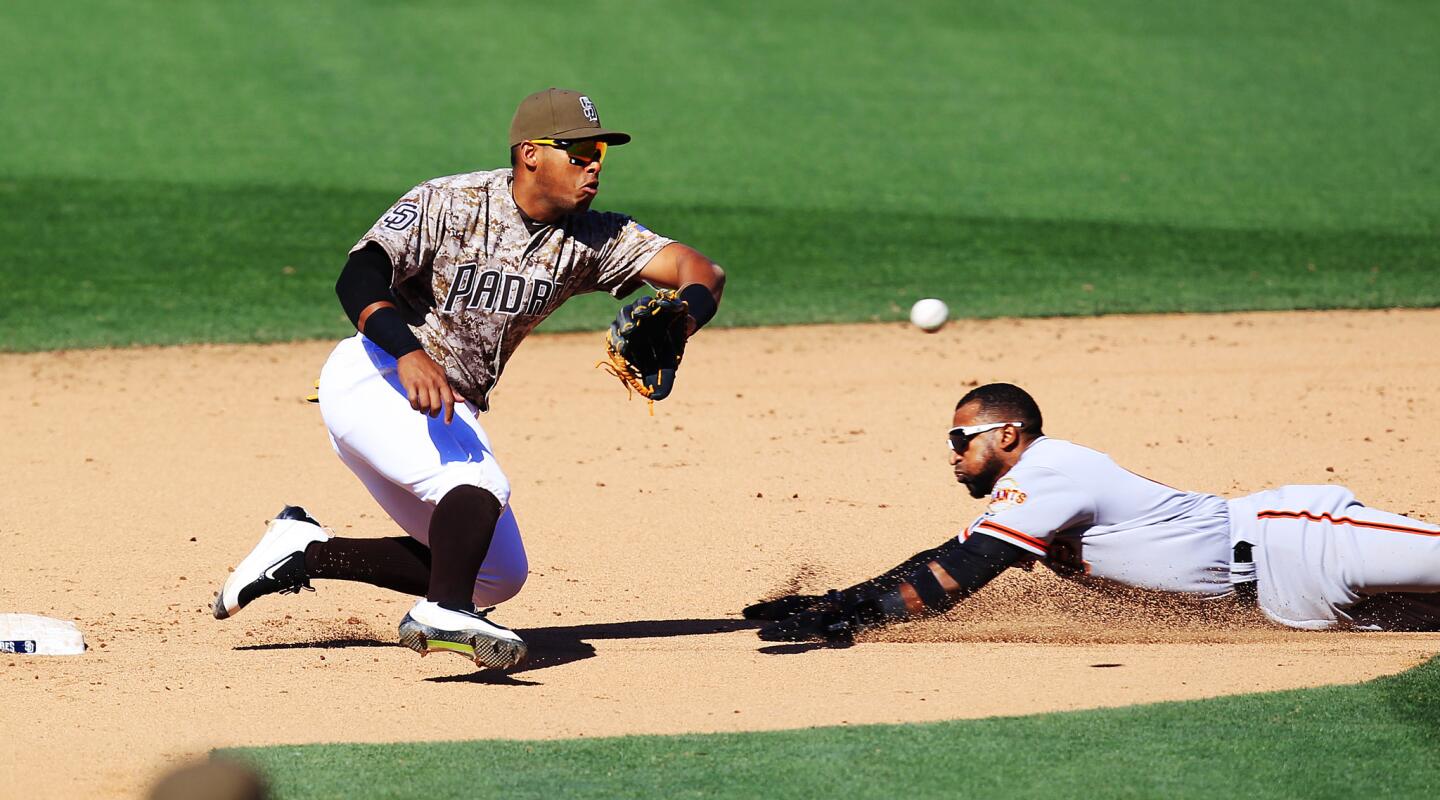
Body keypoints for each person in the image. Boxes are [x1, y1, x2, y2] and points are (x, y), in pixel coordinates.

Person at [212, 88, 726, 670]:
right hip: (376, 376)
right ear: (531, 153)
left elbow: (700, 269)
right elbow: (359, 276)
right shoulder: (450, 202)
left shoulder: (592, 237)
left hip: (448, 405)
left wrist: (684, 317)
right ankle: (440, 612)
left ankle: (304, 552)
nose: (593, 166)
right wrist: (408, 352)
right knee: (481, 488)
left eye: (600, 153)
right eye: (579, 152)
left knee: (498, 574)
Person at [746, 383, 1440, 641]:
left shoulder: (1050, 471)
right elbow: (940, 557)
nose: (953, 455)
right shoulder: (1024, 499)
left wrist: (865, 618)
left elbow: (967, 569)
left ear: (1007, 434)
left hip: (1303, 543)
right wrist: (841, 598)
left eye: (962, 440)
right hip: (1289, 606)